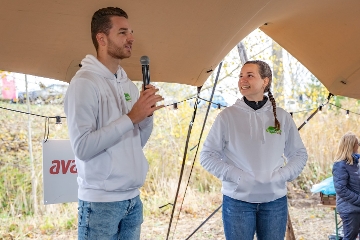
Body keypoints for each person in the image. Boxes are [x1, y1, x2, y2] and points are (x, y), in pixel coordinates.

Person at [64, 7, 163, 240]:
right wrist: (131, 118)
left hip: (132, 200)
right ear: (102, 38)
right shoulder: (84, 84)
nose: (131, 38)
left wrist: (145, 118)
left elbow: (136, 142)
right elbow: (83, 147)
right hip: (101, 204)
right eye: (122, 32)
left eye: (130, 32)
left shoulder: (127, 84)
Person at [200, 60, 308, 240]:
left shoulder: (281, 116)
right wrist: (237, 177)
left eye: (250, 75)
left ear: (265, 81)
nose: (243, 80)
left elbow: (298, 154)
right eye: (241, 76)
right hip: (237, 202)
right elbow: (207, 156)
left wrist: (282, 175)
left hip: (274, 201)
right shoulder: (227, 117)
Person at [333, 132, 360, 240]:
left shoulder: (355, 162)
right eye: (357, 143)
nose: (358, 146)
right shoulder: (340, 165)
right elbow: (341, 189)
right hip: (349, 209)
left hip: (356, 207)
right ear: (351, 145)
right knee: (350, 237)